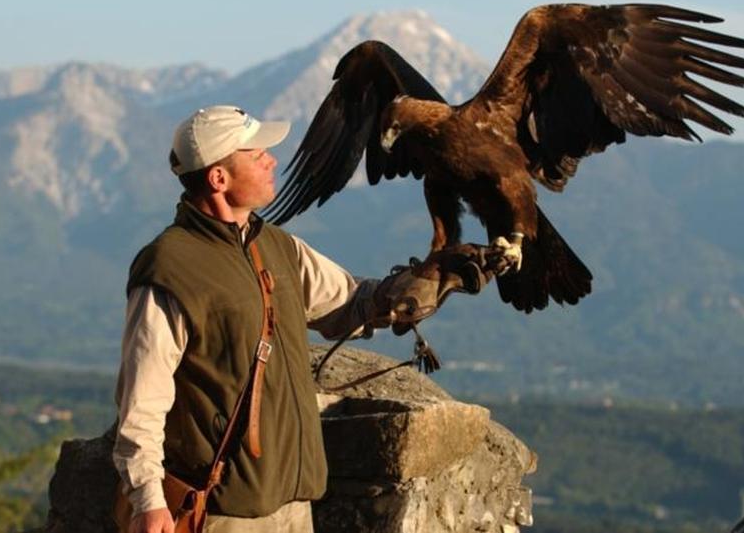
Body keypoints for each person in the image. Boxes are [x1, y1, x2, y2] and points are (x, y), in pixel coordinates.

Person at [112, 105, 491, 533]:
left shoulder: (276, 246)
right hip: (225, 509)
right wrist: (148, 498)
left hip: (295, 499)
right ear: (219, 178)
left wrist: (417, 284)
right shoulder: (170, 268)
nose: (272, 160)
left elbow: (349, 301)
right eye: (257, 155)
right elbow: (142, 400)